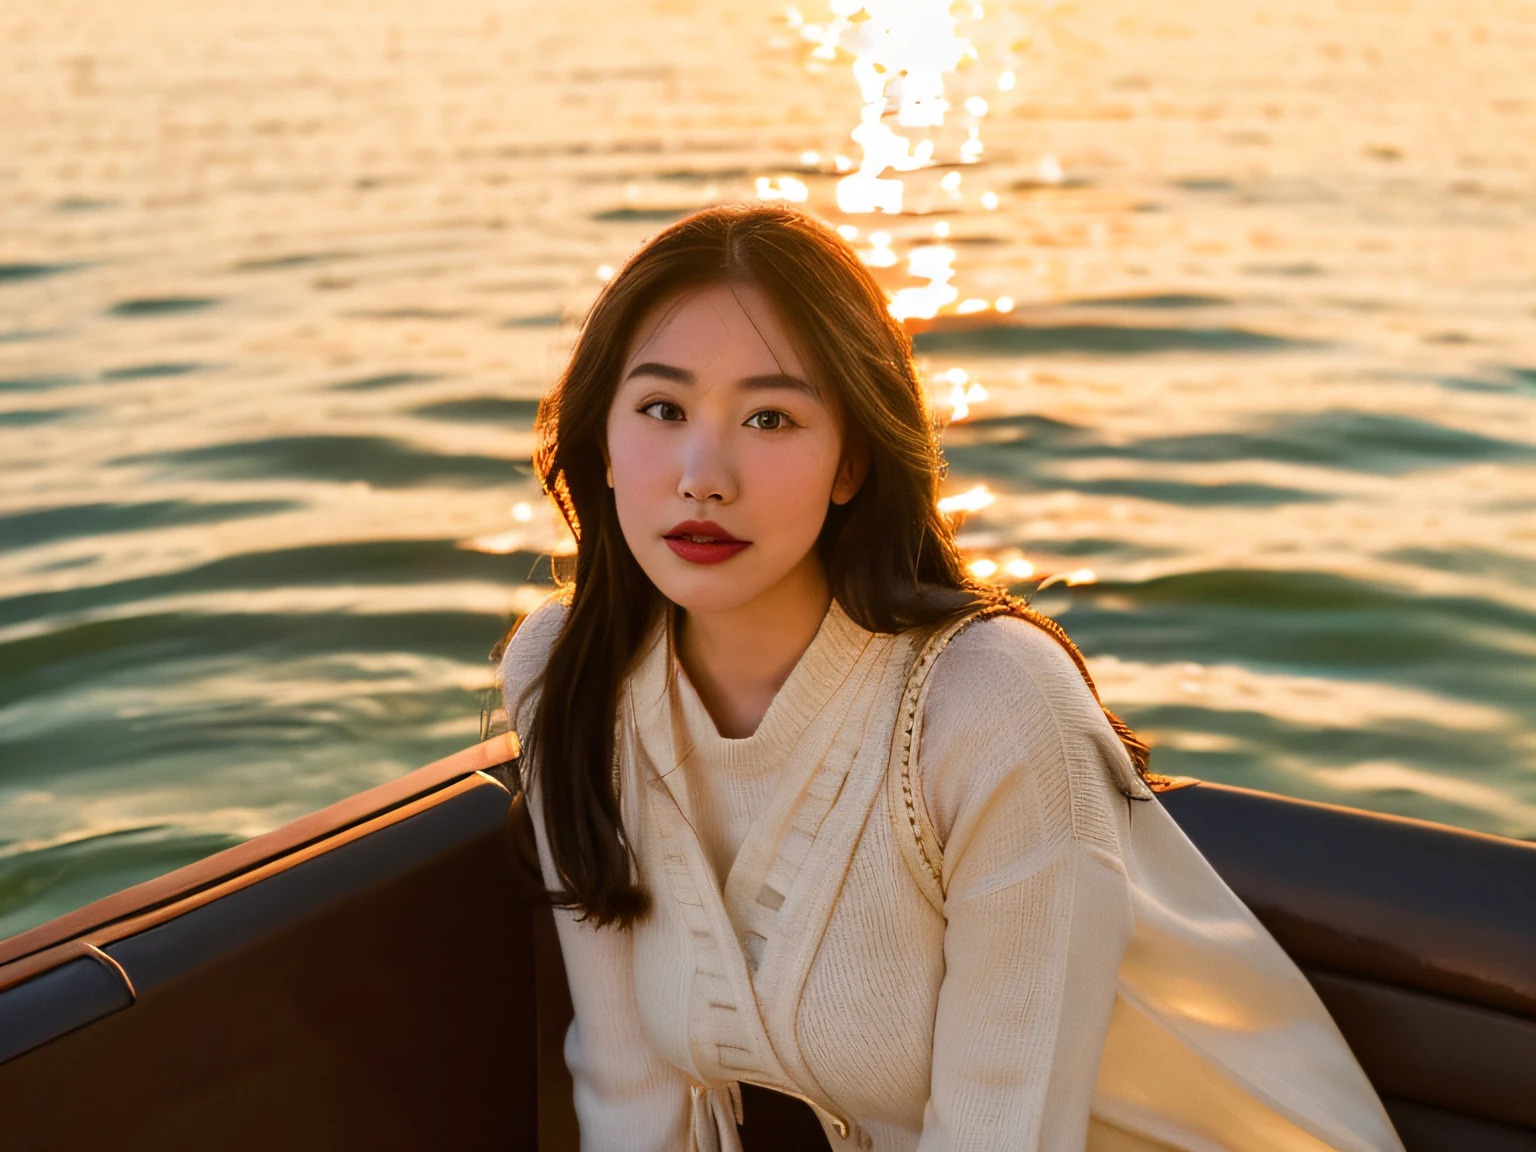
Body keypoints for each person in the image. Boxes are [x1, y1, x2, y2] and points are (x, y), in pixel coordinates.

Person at [497, 204, 1402, 1151]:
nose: (702, 475)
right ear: (602, 439)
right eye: (662, 408)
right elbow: (629, 1094)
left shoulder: (990, 707)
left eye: (771, 417)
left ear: (851, 462)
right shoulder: (569, 676)